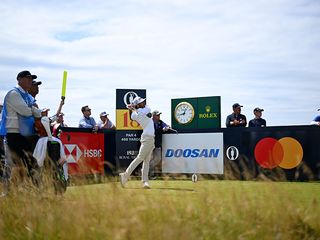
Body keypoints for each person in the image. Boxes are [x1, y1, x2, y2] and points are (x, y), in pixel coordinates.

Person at [0, 70, 49, 191]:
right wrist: (37, 112)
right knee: (16, 164)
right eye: (27, 78)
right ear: (19, 79)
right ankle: (9, 191)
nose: (30, 81)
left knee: (29, 163)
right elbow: (26, 112)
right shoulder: (13, 94)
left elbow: (33, 110)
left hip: (25, 135)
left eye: (31, 79)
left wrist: (35, 111)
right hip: (14, 134)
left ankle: (30, 190)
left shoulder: (27, 95)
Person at [119, 96, 155, 189]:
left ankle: (145, 182)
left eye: (143, 101)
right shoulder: (135, 114)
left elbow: (145, 109)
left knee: (146, 161)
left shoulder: (145, 109)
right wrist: (133, 108)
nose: (144, 102)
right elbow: (136, 114)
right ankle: (125, 175)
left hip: (151, 138)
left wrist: (133, 108)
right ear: (138, 104)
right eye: (141, 102)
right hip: (147, 138)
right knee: (140, 158)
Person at [149, 110, 170, 178]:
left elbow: (166, 126)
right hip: (149, 144)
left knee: (158, 159)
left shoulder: (160, 122)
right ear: (154, 116)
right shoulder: (149, 122)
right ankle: (150, 175)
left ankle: (147, 170)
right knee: (148, 159)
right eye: (157, 115)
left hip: (157, 144)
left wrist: (166, 128)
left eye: (159, 115)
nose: (159, 116)